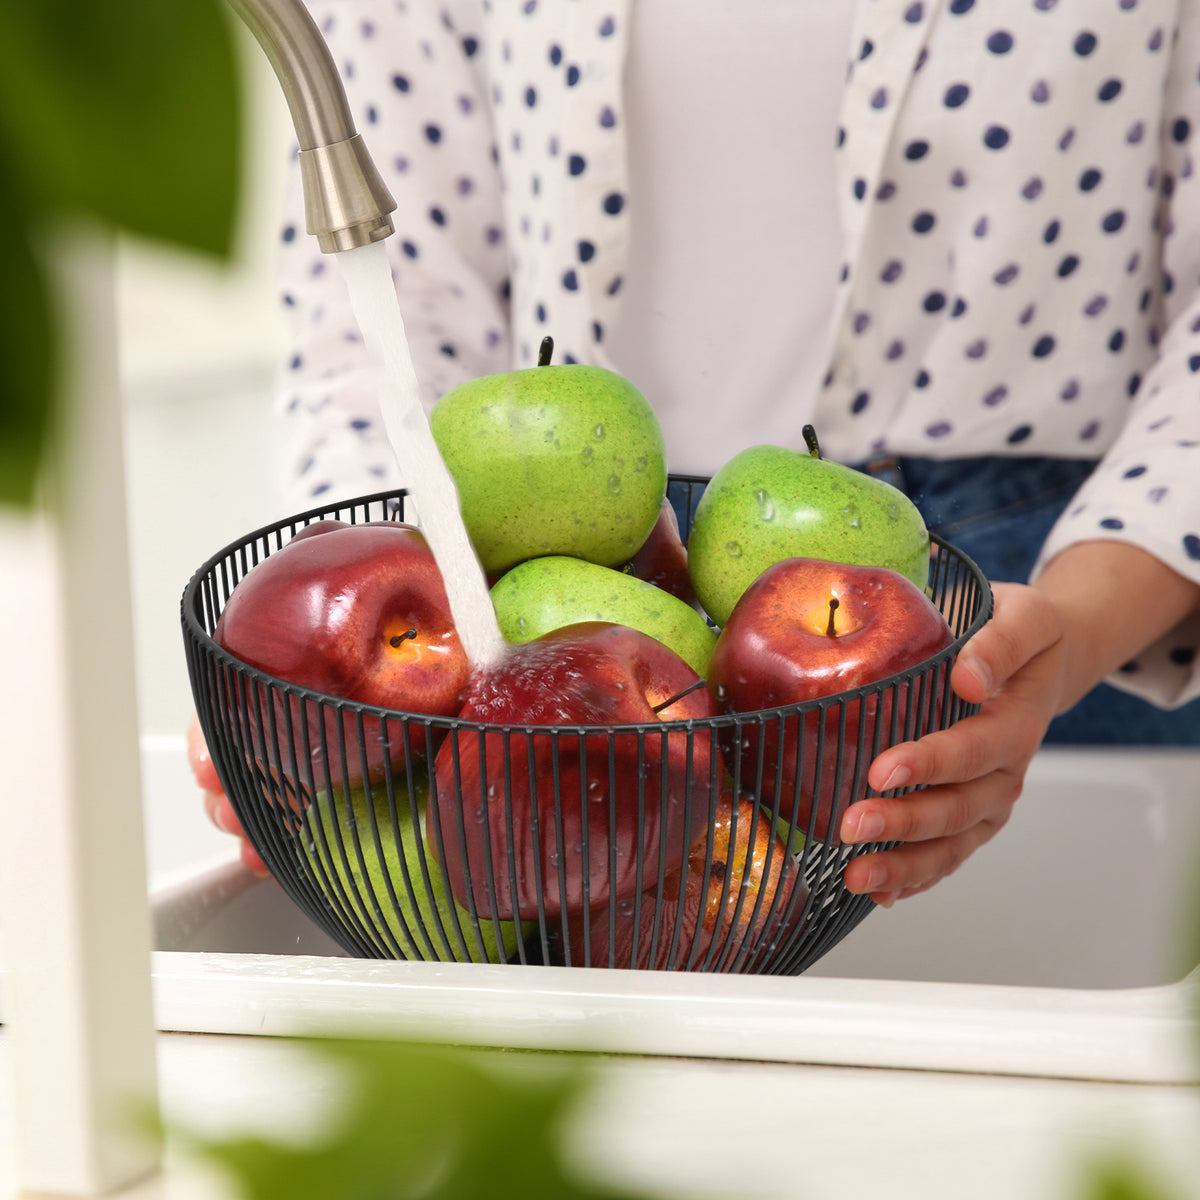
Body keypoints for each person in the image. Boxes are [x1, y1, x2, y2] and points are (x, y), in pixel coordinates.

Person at [192, 0, 1200, 907]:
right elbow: (382, 306)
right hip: (533, 629)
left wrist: (1069, 629)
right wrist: (316, 665)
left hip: (1057, 607)